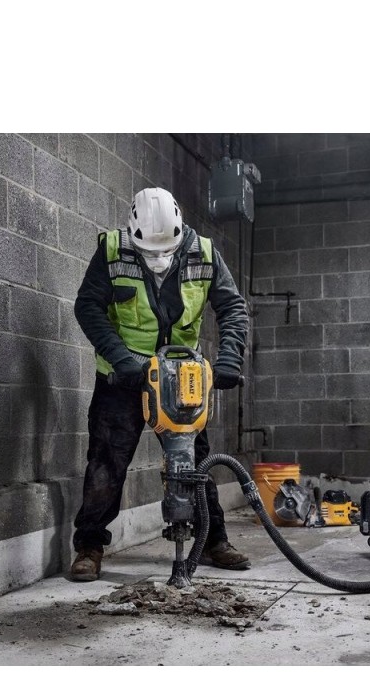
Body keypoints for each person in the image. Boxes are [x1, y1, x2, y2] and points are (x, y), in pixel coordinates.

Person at [70, 187, 250, 581]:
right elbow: (88, 306)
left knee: (195, 462)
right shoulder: (113, 251)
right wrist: (120, 358)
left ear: (179, 231)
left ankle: (213, 540)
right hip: (123, 377)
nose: (158, 259)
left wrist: (229, 359)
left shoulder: (204, 253)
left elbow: (233, 307)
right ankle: (89, 546)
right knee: (106, 463)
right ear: (133, 234)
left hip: (180, 376)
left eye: (165, 251)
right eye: (149, 252)